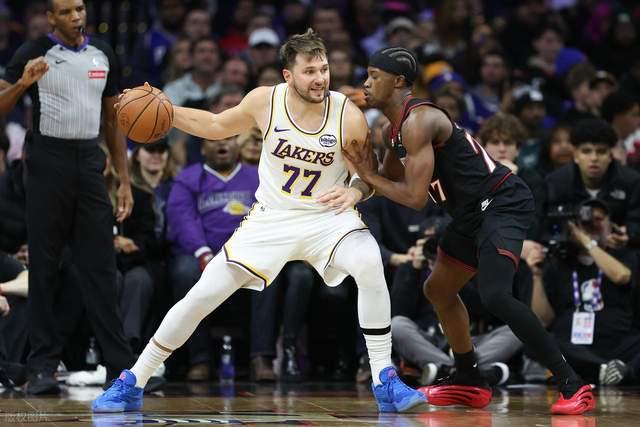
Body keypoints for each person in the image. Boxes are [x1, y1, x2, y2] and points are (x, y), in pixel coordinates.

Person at [92, 29, 425, 413]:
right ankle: (134, 380)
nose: (320, 78)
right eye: (310, 71)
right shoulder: (265, 101)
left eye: (324, 69)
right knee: (202, 295)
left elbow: (366, 178)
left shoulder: (347, 115)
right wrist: (168, 110)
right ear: (288, 75)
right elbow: (216, 126)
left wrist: (354, 192)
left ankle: (385, 377)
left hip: (327, 218)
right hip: (272, 219)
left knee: (369, 261)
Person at [343, 47, 595, 415]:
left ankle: (572, 382)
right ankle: (469, 378)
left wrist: (368, 176)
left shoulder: (420, 120)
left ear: (398, 82)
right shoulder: (390, 130)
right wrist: (358, 174)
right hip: (467, 213)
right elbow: (386, 183)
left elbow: (414, 197)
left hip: (501, 201)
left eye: (374, 76)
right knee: (438, 289)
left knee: (496, 295)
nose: (365, 83)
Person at [0, 0, 136, 395]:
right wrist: (23, 83)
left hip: (90, 160)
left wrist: (124, 180)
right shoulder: (33, 52)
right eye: (66, 11)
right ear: (51, 18)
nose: (76, 16)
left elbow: (113, 119)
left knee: (101, 267)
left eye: (80, 9)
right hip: (47, 162)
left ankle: (120, 366)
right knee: (44, 267)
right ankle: (42, 367)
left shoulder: (103, 53)